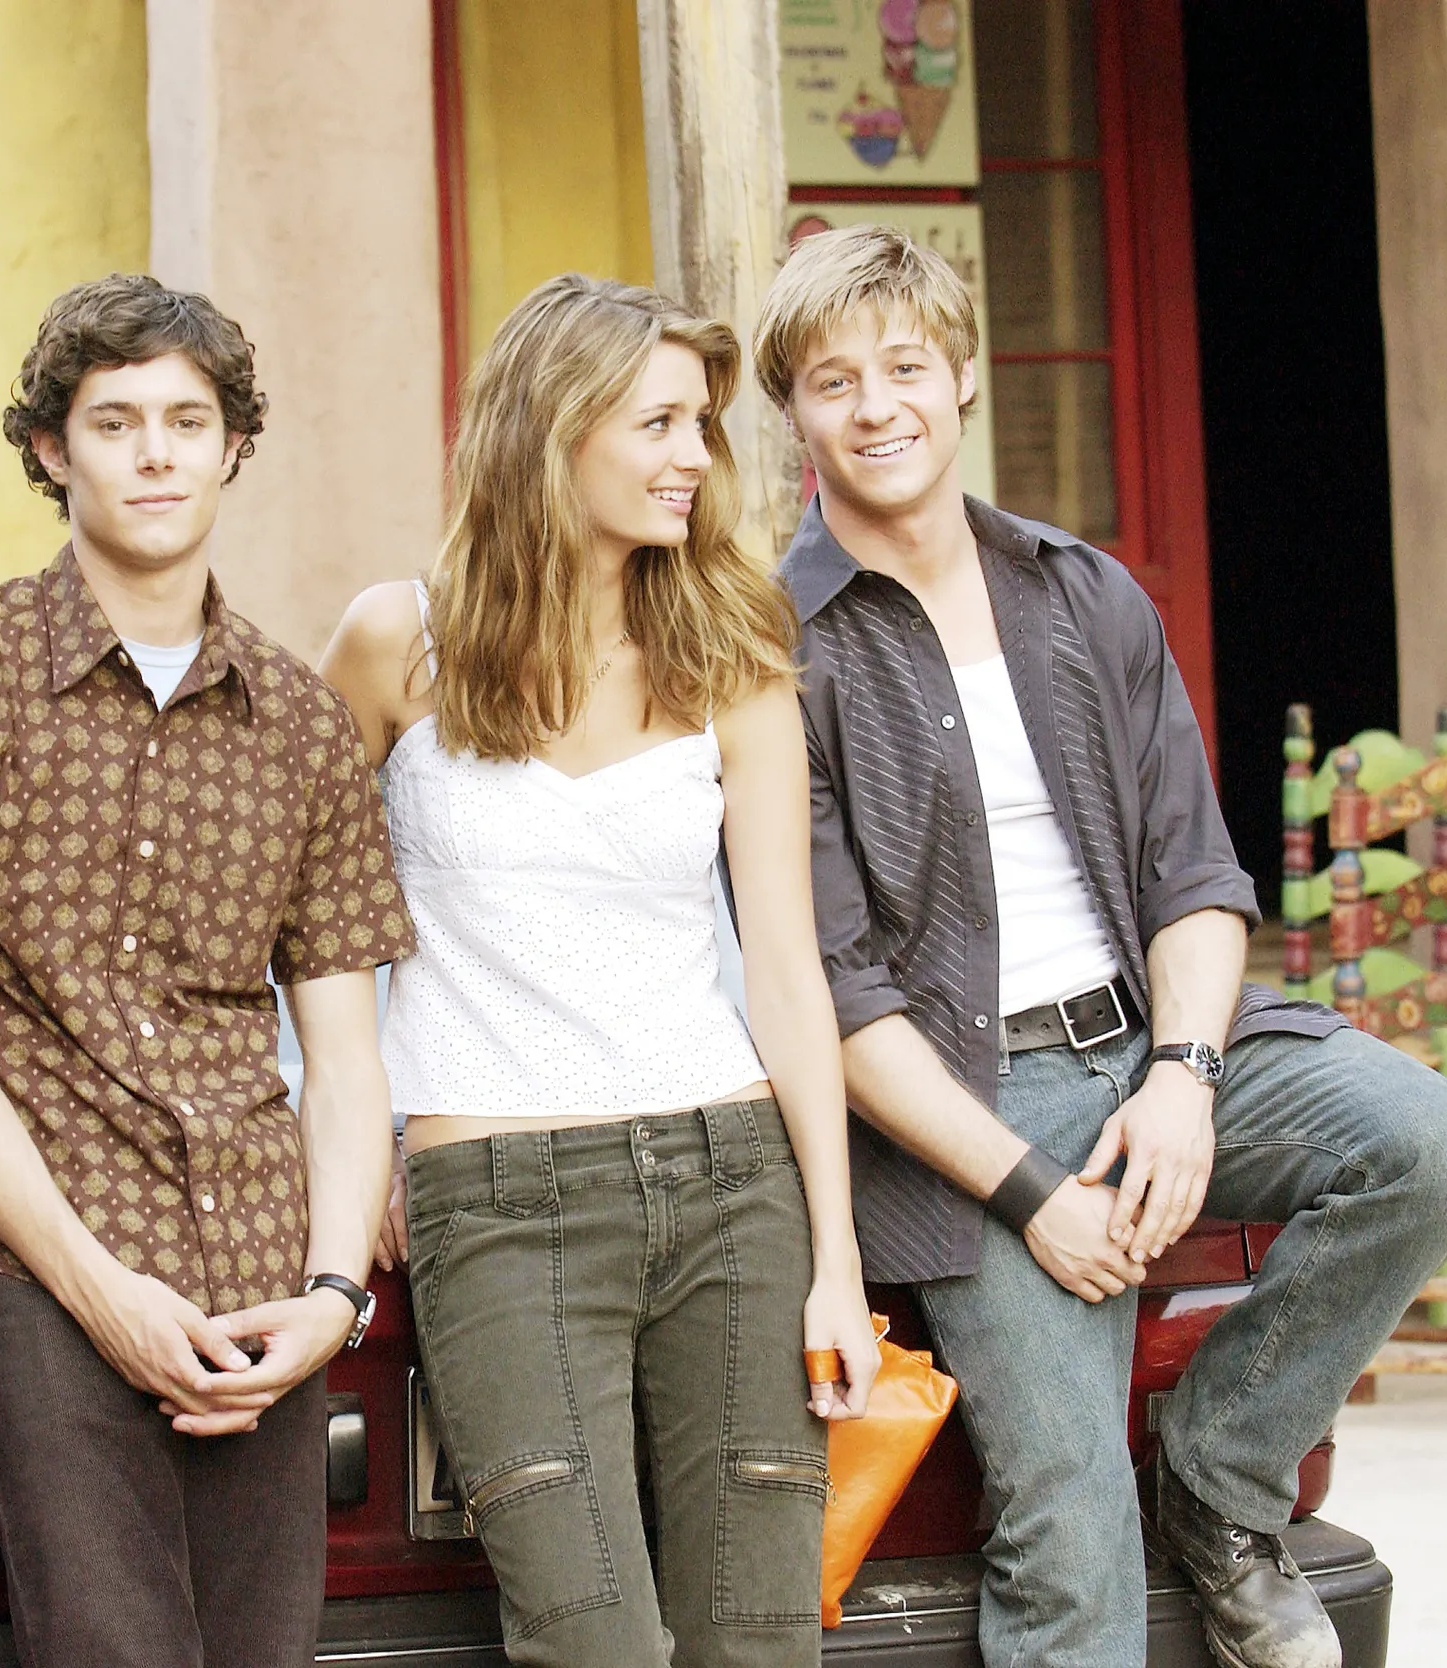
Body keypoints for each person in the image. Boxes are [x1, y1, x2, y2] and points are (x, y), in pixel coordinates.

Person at [757, 222, 1447, 1668]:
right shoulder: (777, 648)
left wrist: (1183, 1077)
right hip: (967, 1107)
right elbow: (833, 998)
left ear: (963, 378)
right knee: (1071, 1537)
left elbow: (1196, 878)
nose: (877, 406)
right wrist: (1034, 1193)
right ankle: (1140, 1524)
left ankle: (1220, 1482)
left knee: (1429, 1147)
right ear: (794, 412)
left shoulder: (1081, 593)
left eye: (906, 367)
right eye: (834, 381)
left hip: (1151, 1036)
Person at [0, 273, 412, 1668]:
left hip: (263, 1269)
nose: (154, 455)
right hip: (43, 1255)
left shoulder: (301, 722)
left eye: (186, 421)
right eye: (114, 423)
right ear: (53, 449)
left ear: (233, 447)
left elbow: (344, 1059)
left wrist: (331, 1296)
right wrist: (103, 1295)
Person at [321, 274, 877, 1668]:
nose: (694, 456)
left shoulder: (731, 650)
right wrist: (347, 1138)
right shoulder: (395, 644)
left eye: (701, 425)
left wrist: (834, 1258)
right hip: (494, 1203)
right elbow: (301, 917)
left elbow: (786, 972)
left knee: (759, 1642)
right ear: (553, 426)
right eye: (659, 423)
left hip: (729, 1181)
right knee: (593, 1644)